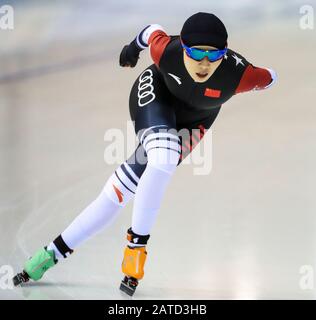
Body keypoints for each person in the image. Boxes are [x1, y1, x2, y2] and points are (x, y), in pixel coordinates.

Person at [13, 12, 277, 296]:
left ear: (224, 55)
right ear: (183, 47)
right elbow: (152, 31)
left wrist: (259, 82)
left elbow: (271, 78)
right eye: (196, 52)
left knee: (118, 192)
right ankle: (136, 247)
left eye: (214, 57)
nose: (204, 63)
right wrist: (131, 50)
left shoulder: (242, 75)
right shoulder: (167, 51)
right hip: (156, 96)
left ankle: (50, 254)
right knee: (163, 157)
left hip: (195, 122)